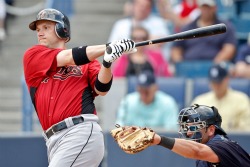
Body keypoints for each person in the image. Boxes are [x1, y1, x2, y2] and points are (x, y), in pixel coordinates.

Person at [23, 8, 136, 167]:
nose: (40, 33)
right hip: (53, 140)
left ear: (62, 30)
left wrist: (107, 62)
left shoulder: (88, 62)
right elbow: (69, 57)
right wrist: (108, 47)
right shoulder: (33, 55)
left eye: (46, 27)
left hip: (80, 131)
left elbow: (101, 89)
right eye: (38, 29)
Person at [149, 104, 250, 167]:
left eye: (193, 128)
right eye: (186, 128)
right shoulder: (203, 157)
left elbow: (197, 151)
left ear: (211, 130)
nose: (188, 133)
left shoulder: (224, 146)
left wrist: (160, 140)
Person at [170, 0, 237, 63]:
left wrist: (216, 63)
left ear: (214, 8)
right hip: (189, 67)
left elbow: (229, 48)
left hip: (214, 67)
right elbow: (176, 49)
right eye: (203, 7)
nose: (206, 10)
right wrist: (181, 64)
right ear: (199, 8)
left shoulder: (224, 27)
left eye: (208, 7)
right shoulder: (187, 27)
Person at [191, 63, 250, 131]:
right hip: (205, 141)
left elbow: (246, 130)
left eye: (219, 82)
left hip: (233, 140)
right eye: (214, 82)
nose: (217, 85)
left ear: (227, 79)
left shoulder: (241, 100)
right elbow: (191, 128)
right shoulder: (199, 101)